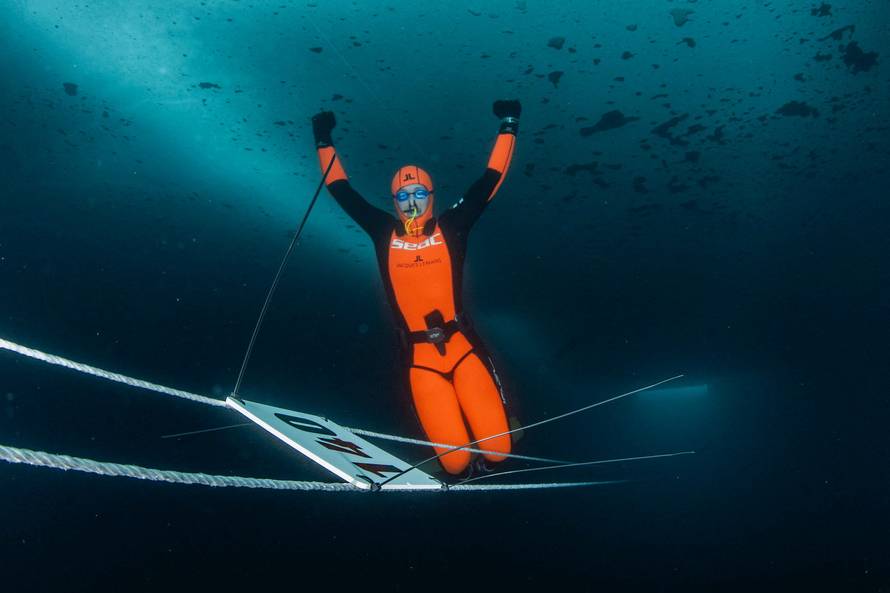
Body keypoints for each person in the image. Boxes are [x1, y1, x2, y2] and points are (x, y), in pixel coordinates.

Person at [310, 99, 521, 475]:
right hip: (420, 361)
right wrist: (323, 139)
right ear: (394, 201)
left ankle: (494, 454)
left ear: (431, 196)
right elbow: (340, 189)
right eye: (404, 196)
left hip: (463, 348)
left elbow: (490, 180)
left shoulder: (452, 227)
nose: (411, 202)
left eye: (419, 193)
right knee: (454, 464)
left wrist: (509, 124)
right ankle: (462, 469)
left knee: (499, 452)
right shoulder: (381, 232)